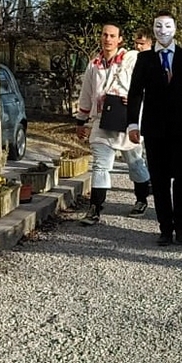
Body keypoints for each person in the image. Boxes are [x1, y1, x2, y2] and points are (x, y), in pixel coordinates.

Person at [127, 11, 182, 246]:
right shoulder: (145, 59)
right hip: (154, 128)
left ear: (175, 29)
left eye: (167, 26)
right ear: (153, 29)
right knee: (160, 179)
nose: (163, 31)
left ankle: (181, 224)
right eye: (158, 26)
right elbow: (135, 92)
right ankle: (165, 227)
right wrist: (132, 123)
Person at [75, 23, 152, 226]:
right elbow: (86, 94)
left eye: (112, 35)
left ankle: (142, 199)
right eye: (104, 35)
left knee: (135, 163)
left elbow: (148, 83)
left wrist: (136, 98)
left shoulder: (131, 59)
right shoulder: (93, 64)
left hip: (127, 120)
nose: (107, 39)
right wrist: (81, 120)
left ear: (120, 39)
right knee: (100, 165)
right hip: (102, 120)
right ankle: (95, 208)